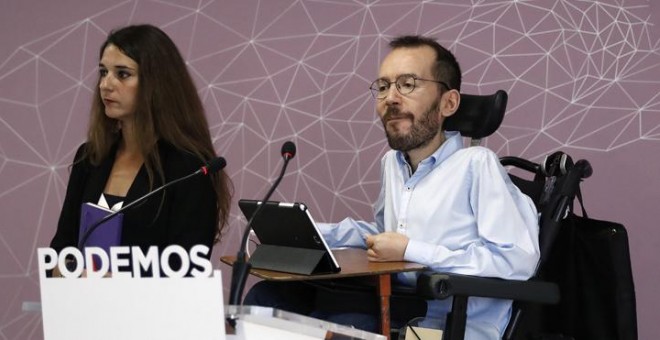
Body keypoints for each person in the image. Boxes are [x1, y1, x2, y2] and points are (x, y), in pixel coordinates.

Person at [244, 35, 540, 339]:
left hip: (448, 320)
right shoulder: (392, 163)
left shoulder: (477, 165)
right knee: (266, 299)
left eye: (408, 84)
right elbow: (384, 235)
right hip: (396, 301)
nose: (391, 98)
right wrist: (303, 234)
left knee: (343, 323)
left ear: (448, 103)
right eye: (383, 87)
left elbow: (515, 260)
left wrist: (412, 250)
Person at [49, 24, 232, 276]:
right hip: (80, 307)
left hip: (152, 313)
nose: (105, 84)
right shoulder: (90, 157)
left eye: (122, 74)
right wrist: (72, 273)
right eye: (103, 72)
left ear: (157, 83)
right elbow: (60, 251)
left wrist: (109, 282)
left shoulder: (189, 169)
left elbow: (187, 270)